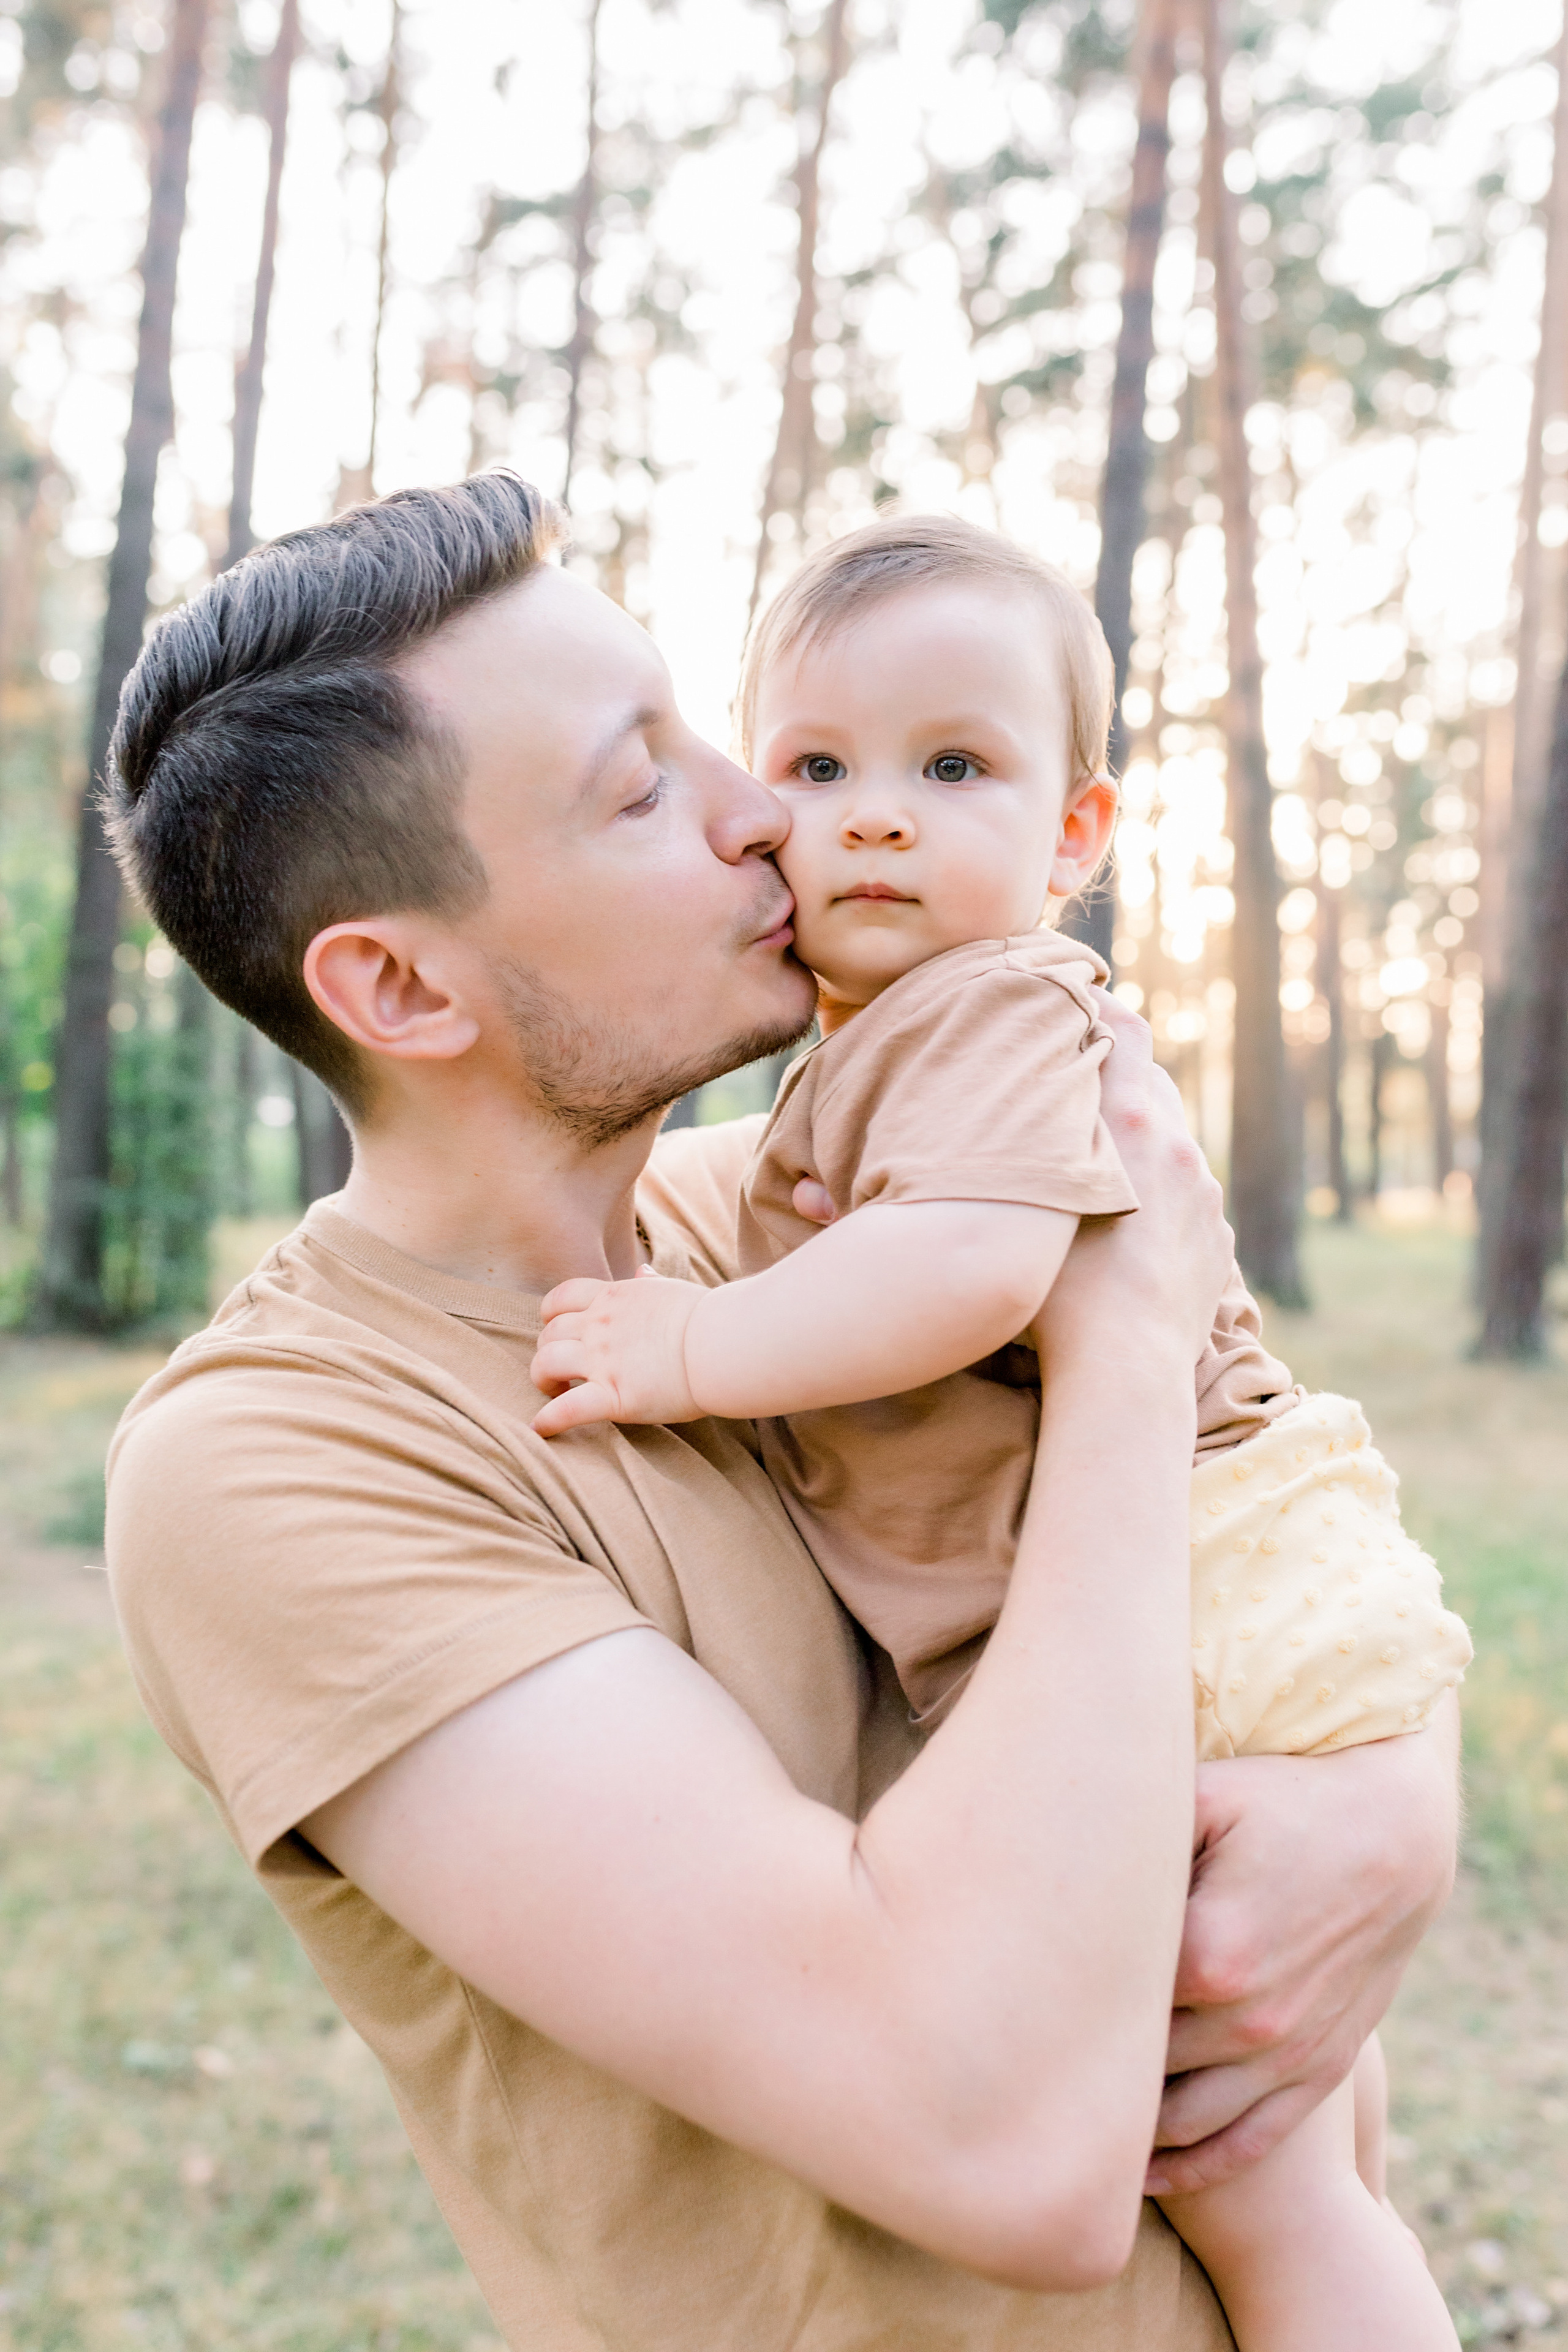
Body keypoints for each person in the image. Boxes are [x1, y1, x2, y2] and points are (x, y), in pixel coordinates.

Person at [102, 475, 1459, 2352]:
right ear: (401, 983)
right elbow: (1008, 2152)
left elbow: (1273, 1531)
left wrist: (1395, 1797)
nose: (771, 815)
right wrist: (1126, 1347)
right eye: (643, 786)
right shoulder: (283, 1461)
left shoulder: (803, 1225)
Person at [529, 514, 1468, 2349]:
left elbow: (963, 1270)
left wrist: (695, 1348)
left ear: (1075, 835)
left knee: (1265, 2200)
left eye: (952, 767)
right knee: (1310, 2134)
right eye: (816, 767)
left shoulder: (991, 1003)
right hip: (1230, 1556)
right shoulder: (889, 1038)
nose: (875, 814)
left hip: (1203, 1570)